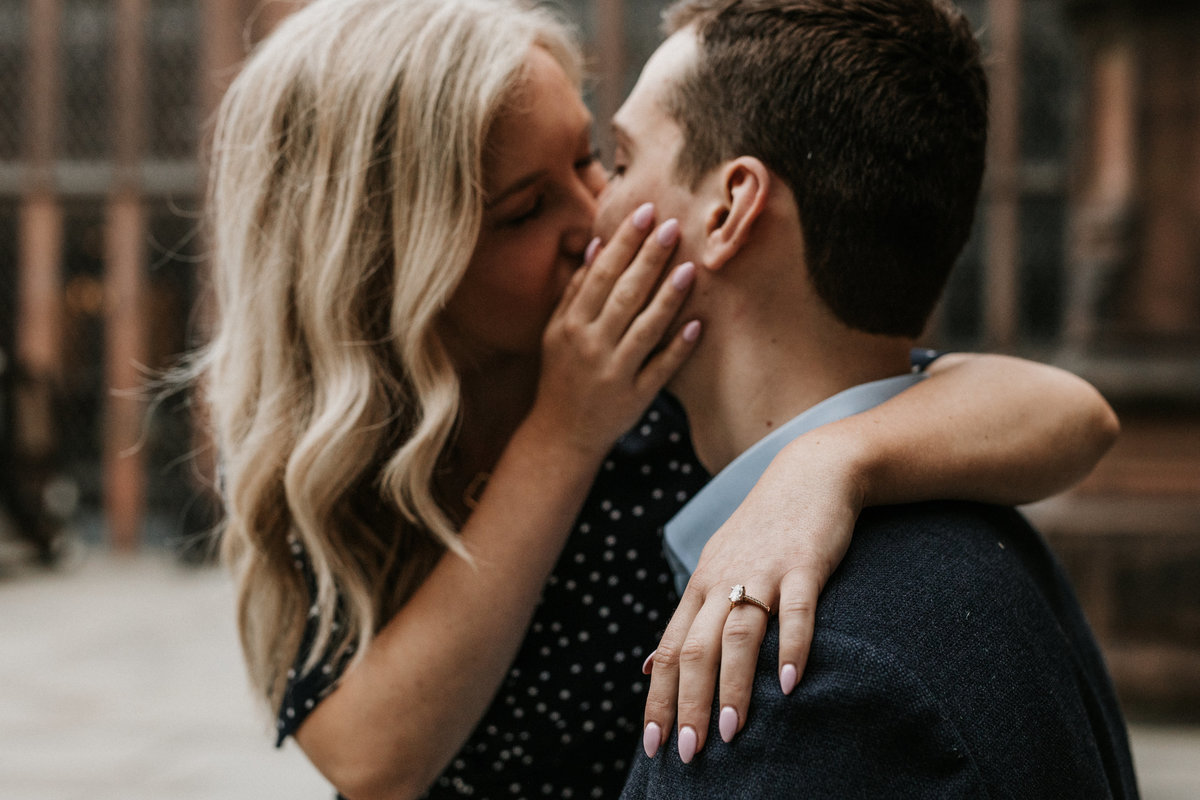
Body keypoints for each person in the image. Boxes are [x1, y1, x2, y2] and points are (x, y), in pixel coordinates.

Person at [195, 0, 1118, 798]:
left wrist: (827, 464)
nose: (593, 213)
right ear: (387, 264)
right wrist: (563, 433)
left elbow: (1065, 412)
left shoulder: (673, 373)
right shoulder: (335, 453)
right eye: (525, 209)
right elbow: (372, 760)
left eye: (596, 159)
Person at [599, 1, 1138, 797]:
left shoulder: (794, 687)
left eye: (617, 162)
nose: (593, 212)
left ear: (727, 209)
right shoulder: (986, 527)